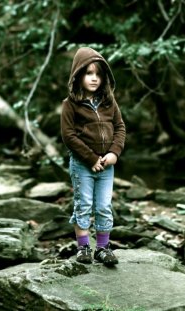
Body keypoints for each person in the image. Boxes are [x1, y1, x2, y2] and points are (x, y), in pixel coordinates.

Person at [60, 47, 126, 266]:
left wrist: (114, 153)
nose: (94, 78)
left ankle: (103, 248)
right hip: (82, 165)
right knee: (84, 204)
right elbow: (68, 136)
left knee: (104, 206)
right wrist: (90, 159)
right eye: (89, 73)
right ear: (78, 75)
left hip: (107, 165)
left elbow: (120, 127)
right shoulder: (70, 105)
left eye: (98, 74)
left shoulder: (109, 102)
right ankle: (83, 248)